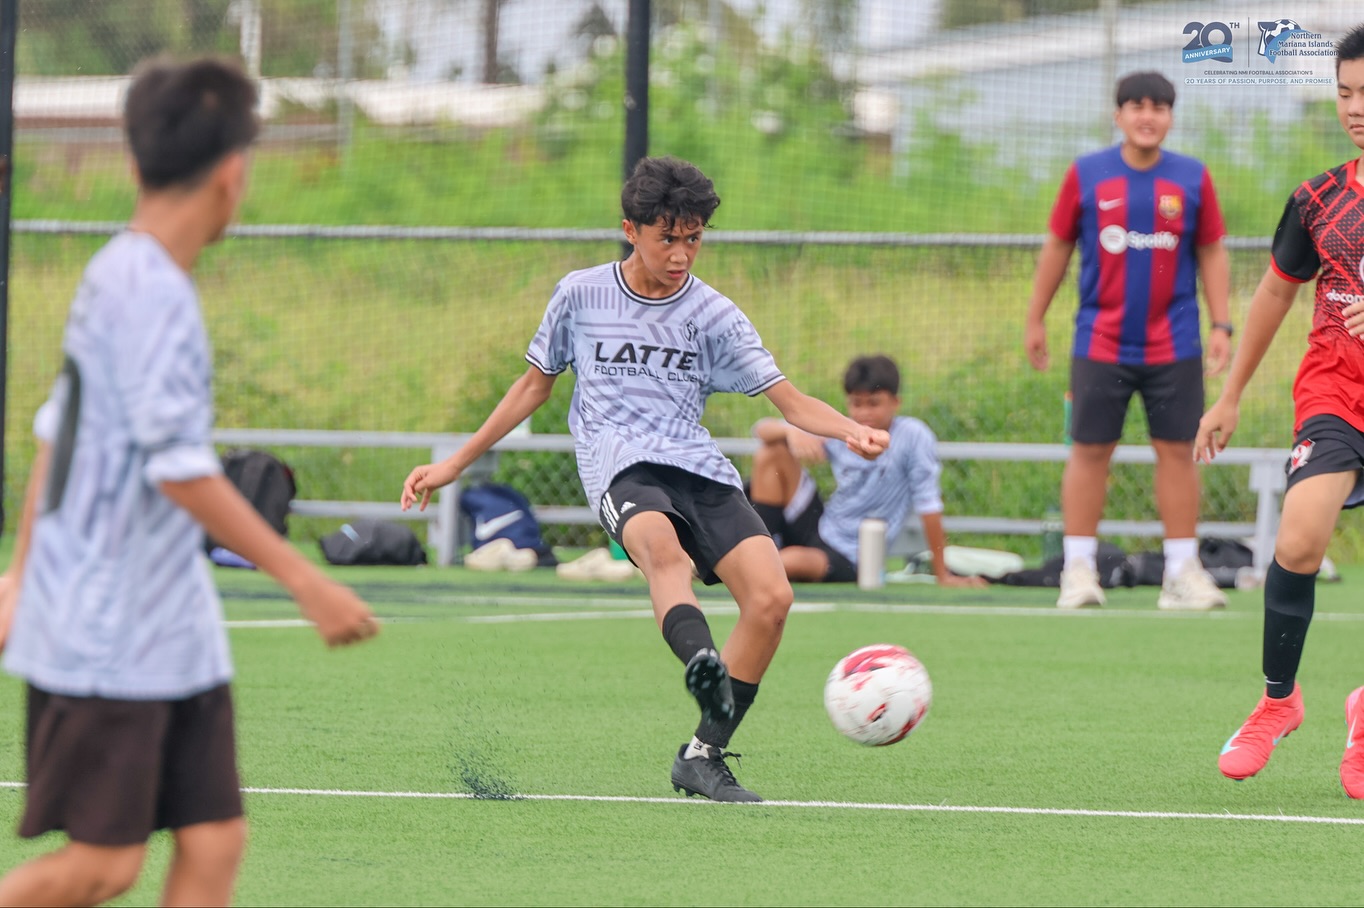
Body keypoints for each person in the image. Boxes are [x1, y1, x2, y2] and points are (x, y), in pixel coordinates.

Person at [0, 56, 379, 907]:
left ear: (135, 163)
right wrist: (306, 580)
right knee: (104, 867)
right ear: (234, 172)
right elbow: (180, 472)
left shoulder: (120, 271)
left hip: (170, 627)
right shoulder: (149, 297)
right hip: (108, 633)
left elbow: (54, 434)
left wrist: (20, 574)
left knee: (213, 842)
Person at [401, 156, 888, 803]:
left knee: (772, 599)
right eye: (669, 238)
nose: (683, 253)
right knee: (664, 551)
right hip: (619, 459)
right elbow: (532, 386)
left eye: (694, 238)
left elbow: (790, 400)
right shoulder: (580, 293)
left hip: (697, 463)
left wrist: (848, 431)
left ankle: (702, 757)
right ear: (631, 229)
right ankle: (700, 664)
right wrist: (454, 463)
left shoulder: (714, 314)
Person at [1196, 23, 1364, 796]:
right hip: (1337, 392)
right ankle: (1278, 702)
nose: (1355, 108)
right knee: (1299, 539)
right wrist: (1229, 396)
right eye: (1345, 92)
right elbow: (1272, 292)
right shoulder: (1320, 199)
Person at [1024, 70, 1233, 611]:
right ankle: (1078, 570)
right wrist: (1035, 319)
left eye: (1160, 107)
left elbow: (1212, 250)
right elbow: (1056, 245)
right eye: (1137, 106)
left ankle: (1183, 571)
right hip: (1101, 342)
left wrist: (1222, 323)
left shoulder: (1191, 178)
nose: (1148, 116)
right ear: (1117, 115)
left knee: (1178, 452)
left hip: (1176, 344)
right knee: (1090, 451)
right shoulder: (1087, 174)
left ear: (1170, 116)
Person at [747, 354, 985, 588]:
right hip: (823, 524)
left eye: (873, 403)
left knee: (782, 563)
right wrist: (791, 432)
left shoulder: (913, 436)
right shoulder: (844, 429)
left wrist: (942, 574)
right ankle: (764, 544)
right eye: (856, 404)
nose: (864, 413)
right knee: (771, 452)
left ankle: (756, 560)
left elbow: (929, 504)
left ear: (895, 402)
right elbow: (761, 429)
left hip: (853, 553)